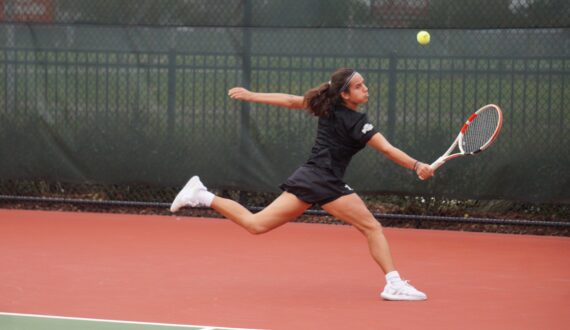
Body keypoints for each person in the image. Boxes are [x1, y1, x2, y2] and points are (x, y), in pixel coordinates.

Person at [170, 68, 434, 301]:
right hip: (323, 179)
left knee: (256, 224)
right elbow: (387, 150)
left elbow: (289, 100)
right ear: (344, 94)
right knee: (371, 227)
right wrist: (416, 165)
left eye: (364, 84)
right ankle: (394, 284)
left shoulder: (327, 107)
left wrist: (251, 95)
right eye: (358, 86)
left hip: (310, 177)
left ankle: (201, 195)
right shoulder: (357, 122)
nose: (365, 88)